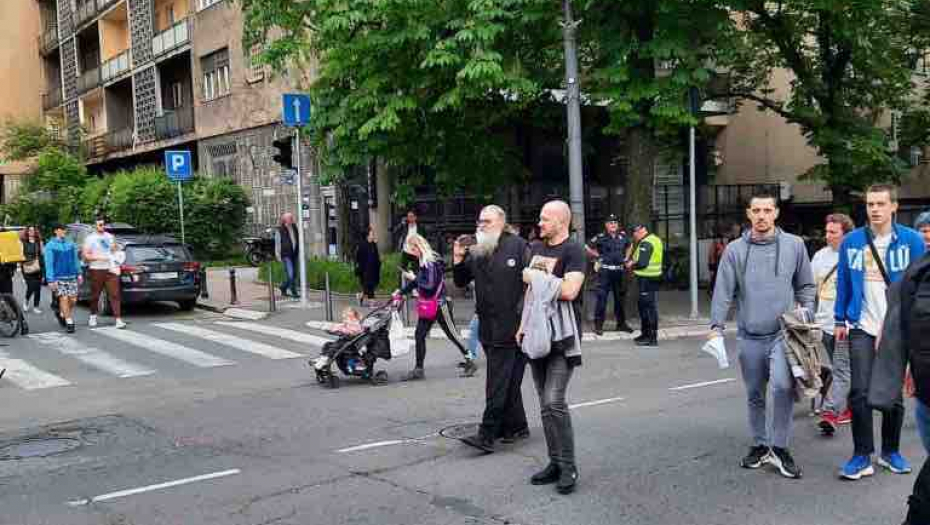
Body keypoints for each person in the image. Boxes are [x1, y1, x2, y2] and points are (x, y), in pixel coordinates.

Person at [709, 192, 815, 480]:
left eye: (767, 210)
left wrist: (807, 312)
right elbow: (723, 291)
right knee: (755, 393)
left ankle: (779, 447)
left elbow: (806, 285)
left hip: (784, 335)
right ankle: (759, 444)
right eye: (756, 210)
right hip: (750, 335)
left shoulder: (794, 245)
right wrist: (716, 327)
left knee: (782, 386)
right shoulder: (734, 250)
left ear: (776, 213)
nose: (761, 216)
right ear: (748, 214)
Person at [834, 184, 925, 481]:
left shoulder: (912, 241)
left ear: (893, 207)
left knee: (892, 394)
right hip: (862, 325)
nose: (874, 209)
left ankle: (890, 451)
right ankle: (861, 455)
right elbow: (843, 282)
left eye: (880, 204)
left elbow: (920, 285)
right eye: (870, 204)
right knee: (859, 391)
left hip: (897, 327)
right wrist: (839, 318)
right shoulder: (851, 242)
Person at [520, 200, 586, 495]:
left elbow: (570, 291)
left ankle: (569, 466)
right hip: (536, 333)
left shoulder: (574, 250)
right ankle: (555, 462)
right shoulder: (536, 248)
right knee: (544, 404)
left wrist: (535, 277)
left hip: (563, 336)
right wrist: (522, 326)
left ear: (561, 221)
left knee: (553, 400)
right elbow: (531, 293)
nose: (540, 223)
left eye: (545, 219)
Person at [453, 205, 530, 453]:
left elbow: (531, 286)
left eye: (486, 221)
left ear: (501, 222)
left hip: (513, 325)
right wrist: (457, 257)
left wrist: (524, 319)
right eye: (480, 221)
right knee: (508, 380)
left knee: (496, 381)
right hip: (487, 326)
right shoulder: (479, 248)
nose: (481, 225)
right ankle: (517, 426)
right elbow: (461, 281)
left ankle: (487, 433)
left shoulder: (518, 246)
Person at [393, 234, 477, 380]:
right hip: (429, 305)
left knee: (452, 335)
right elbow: (419, 282)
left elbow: (429, 285)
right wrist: (401, 292)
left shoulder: (430, 262)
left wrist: (414, 278)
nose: (410, 252)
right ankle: (418, 369)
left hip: (440, 305)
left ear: (418, 247)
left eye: (411, 248)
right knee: (419, 335)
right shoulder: (423, 260)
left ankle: (470, 361)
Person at [813, 213, 855, 435]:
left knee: (842, 370)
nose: (828, 236)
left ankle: (829, 413)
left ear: (845, 234)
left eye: (833, 232)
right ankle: (849, 406)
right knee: (842, 369)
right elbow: (809, 287)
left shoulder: (856, 255)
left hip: (844, 325)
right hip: (824, 324)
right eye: (827, 231)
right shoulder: (820, 256)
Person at [586, 214, 633, 335]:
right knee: (602, 299)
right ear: (606, 225)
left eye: (615, 223)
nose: (613, 225)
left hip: (619, 272)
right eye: (611, 223)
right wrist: (598, 256)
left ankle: (621, 324)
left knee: (620, 300)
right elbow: (587, 247)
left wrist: (627, 257)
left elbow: (630, 245)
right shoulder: (600, 237)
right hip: (605, 272)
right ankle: (598, 325)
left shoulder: (623, 236)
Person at [82, 218, 126, 329]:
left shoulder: (110, 236)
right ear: (95, 226)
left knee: (115, 294)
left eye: (103, 224)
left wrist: (115, 249)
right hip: (96, 268)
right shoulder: (90, 238)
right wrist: (99, 258)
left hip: (111, 268)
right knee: (95, 294)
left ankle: (118, 319)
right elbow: (85, 255)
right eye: (99, 225)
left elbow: (115, 250)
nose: (102, 226)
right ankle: (93, 316)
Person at [626, 224, 664, 347]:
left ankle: (651, 338)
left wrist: (631, 265)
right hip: (650, 278)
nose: (634, 236)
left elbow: (642, 263)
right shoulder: (655, 239)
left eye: (635, 233)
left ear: (642, 231)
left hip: (646, 279)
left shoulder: (646, 243)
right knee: (644, 307)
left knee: (648, 309)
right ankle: (645, 334)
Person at [45, 224, 83, 334]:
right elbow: (49, 264)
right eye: (61, 230)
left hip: (71, 276)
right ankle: (69, 322)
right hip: (59, 277)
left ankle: (63, 313)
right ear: (55, 231)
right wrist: (50, 280)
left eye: (64, 230)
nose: (63, 232)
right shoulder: (50, 246)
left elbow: (75, 259)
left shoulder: (70, 244)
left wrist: (79, 273)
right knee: (64, 298)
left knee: (73, 300)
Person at [275, 212, 300, 298]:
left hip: (294, 254)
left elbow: (297, 239)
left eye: (292, 218)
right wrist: (278, 256)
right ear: (285, 220)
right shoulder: (280, 230)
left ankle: (284, 288)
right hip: (286, 255)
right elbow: (277, 244)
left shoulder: (294, 227)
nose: (292, 219)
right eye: (290, 218)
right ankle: (291, 291)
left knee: (294, 274)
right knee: (290, 274)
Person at [20, 226, 44, 315]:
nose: (31, 232)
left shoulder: (39, 242)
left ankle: (36, 306)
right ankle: (26, 301)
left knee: (38, 288)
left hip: (38, 266)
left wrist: (42, 246)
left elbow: (42, 254)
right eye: (30, 230)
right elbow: (20, 255)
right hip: (27, 267)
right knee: (31, 286)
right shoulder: (23, 242)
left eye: (33, 230)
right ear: (27, 232)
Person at [355, 227, 381, 306]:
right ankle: (371, 302)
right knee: (369, 285)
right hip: (365, 270)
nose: (373, 235)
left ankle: (360, 296)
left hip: (374, 269)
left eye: (373, 234)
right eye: (371, 234)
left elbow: (376, 256)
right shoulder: (362, 245)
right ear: (367, 236)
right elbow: (358, 258)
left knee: (370, 286)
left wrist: (379, 264)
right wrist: (360, 269)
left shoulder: (373, 244)